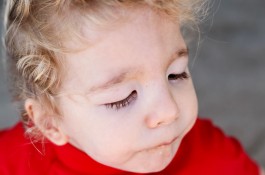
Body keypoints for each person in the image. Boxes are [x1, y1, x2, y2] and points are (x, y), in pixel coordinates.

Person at [0, 0, 264, 174]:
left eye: (176, 75)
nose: (168, 111)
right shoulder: (12, 162)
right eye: (122, 98)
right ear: (50, 123)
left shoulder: (216, 158)